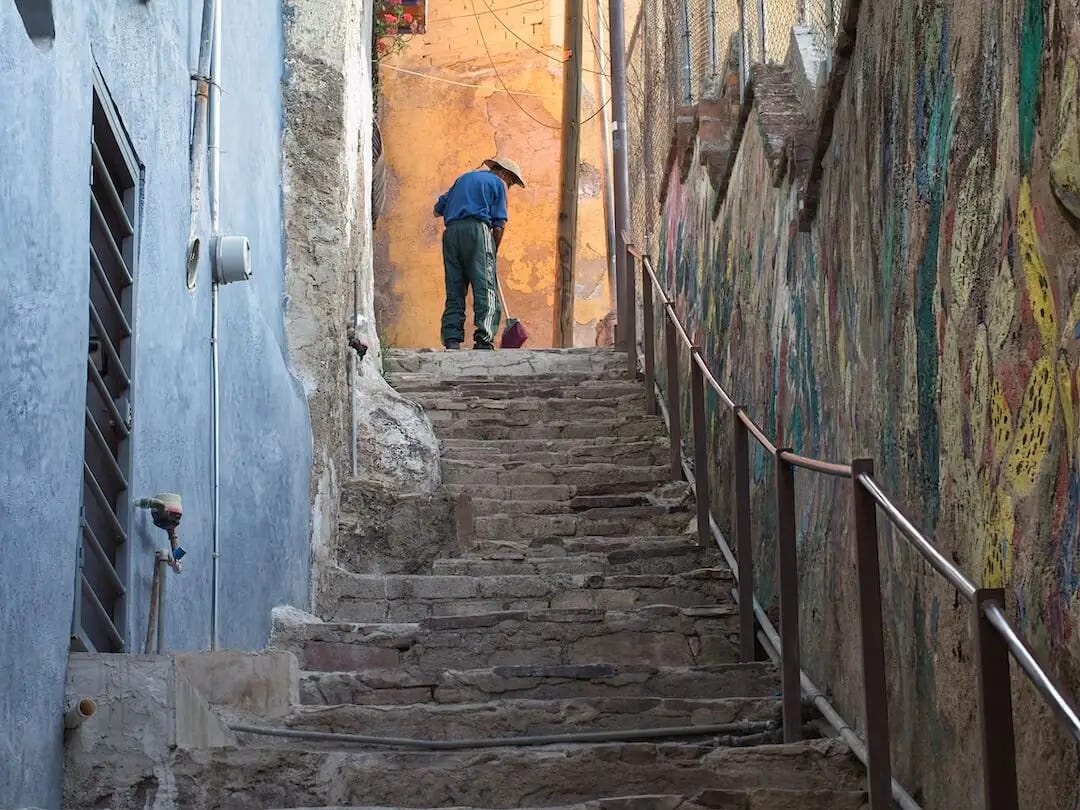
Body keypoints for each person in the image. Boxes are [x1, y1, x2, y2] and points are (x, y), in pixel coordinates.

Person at [434, 157, 526, 350]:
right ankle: (484, 338)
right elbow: (499, 224)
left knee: (455, 288)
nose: (508, 186)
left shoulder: (463, 179)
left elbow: (438, 209)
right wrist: (493, 251)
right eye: (511, 182)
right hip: (477, 229)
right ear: (503, 173)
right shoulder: (498, 183)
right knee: (485, 286)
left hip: (451, 233)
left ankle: (452, 339)